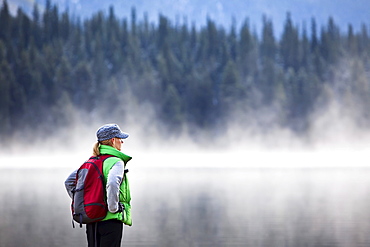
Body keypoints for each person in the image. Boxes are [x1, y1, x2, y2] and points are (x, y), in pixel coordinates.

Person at [65, 123, 133, 247]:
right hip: (111, 221)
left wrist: (84, 202)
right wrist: (113, 208)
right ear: (113, 140)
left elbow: (69, 182)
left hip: (92, 220)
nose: (122, 142)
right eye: (120, 139)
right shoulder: (116, 162)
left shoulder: (91, 161)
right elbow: (112, 183)